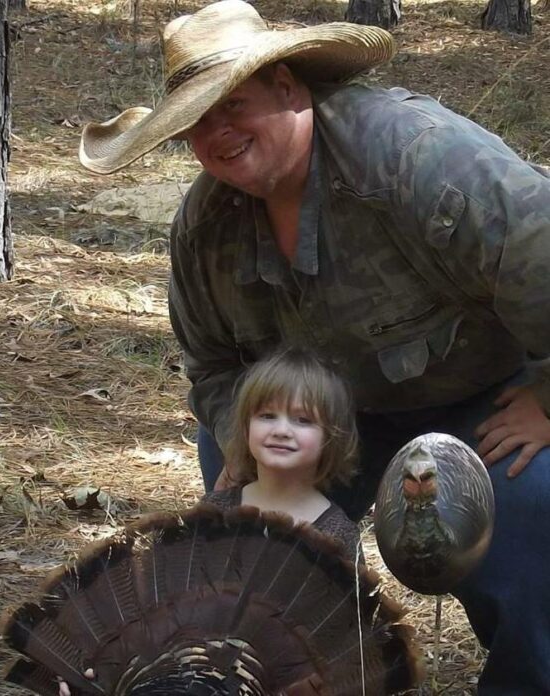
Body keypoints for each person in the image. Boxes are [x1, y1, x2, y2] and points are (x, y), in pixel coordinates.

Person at [77, 2, 550, 693]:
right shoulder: (205, 226)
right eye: (198, 122)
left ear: (289, 88)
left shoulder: (417, 156)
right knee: (242, 534)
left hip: (480, 395)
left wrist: (548, 398)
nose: (220, 134)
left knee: (531, 519)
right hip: (318, 415)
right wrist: (250, 455)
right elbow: (213, 367)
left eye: (233, 103)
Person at [201, 345, 361, 558]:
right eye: (267, 416)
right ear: (245, 427)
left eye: (303, 420)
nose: (282, 431)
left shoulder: (337, 534)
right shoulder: (215, 510)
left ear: (330, 437)